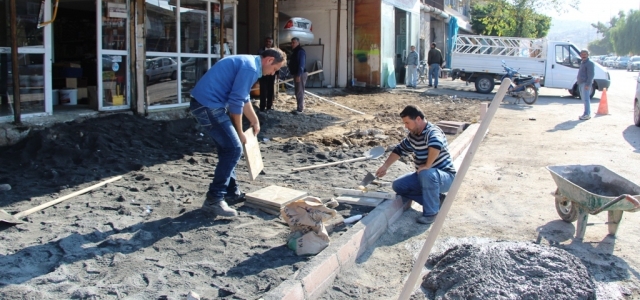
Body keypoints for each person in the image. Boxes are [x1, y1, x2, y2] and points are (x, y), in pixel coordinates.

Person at [189, 48, 287, 217]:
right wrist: (239, 131)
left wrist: (255, 120)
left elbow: (243, 97)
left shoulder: (250, 64)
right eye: (275, 69)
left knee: (227, 148)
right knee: (234, 148)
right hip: (208, 106)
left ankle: (230, 192)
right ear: (269, 60)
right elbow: (236, 102)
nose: (272, 74)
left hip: (205, 104)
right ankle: (214, 199)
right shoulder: (250, 67)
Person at [375, 105, 456, 225]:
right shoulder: (413, 135)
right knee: (398, 185)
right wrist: (385, 166)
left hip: (446, 177)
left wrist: (428, 165)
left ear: (418, 119)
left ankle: (431, 213)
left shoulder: (432, 131)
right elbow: (399, 150)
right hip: (425, 176)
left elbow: (436, 145)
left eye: (407, 123)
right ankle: (437, 200)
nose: (406, 126)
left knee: (426, 173)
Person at [258, 37, 277, 112]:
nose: (268, 43)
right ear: (265, 42)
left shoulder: (275, 52)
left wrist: (277, 73)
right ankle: (262, 106)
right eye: (267, 41)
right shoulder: (260, 51)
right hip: (263, 73)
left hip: (272, 73)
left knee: (270, 90)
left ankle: (269, 106)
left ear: (272, 43)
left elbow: (277, 62)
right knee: (263, 90)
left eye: (270, 41)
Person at [289, 37, 307, 113]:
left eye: (294, 42)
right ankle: (299, 107)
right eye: (292, 42)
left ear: (298, 43)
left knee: (299, 91)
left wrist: (299, 75)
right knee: (297, 91)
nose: (292, 44)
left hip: (300, 74)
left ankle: (300, 109)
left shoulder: (300, 51)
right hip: (297, 73)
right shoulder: (295, 51)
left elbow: (301, 64)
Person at [577, 49, 595, 120]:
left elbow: (591, 75)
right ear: (580, 55)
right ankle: (585, 113)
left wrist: (588, 84)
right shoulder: (582, 63)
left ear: (588, 55)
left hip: (585, 83)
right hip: (581, 83)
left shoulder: (590, 63)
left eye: (585, 54)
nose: (584, 56)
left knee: (586, 99)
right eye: (582, 54)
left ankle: (587, 114)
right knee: (584, 99)